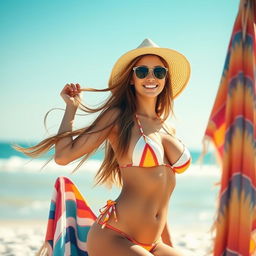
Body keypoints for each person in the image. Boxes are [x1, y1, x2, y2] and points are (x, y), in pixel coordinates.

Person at [15, 38, 191, 256]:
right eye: (142, 71)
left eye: (159, 72)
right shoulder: (118, 117)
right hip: (115, 236)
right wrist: (71, 109)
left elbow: (160, 194)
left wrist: (168, 248)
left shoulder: (167, 126)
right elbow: (63, 156)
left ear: (166, 77)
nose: (151, 77)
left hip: (153, 243)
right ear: (131, 79)